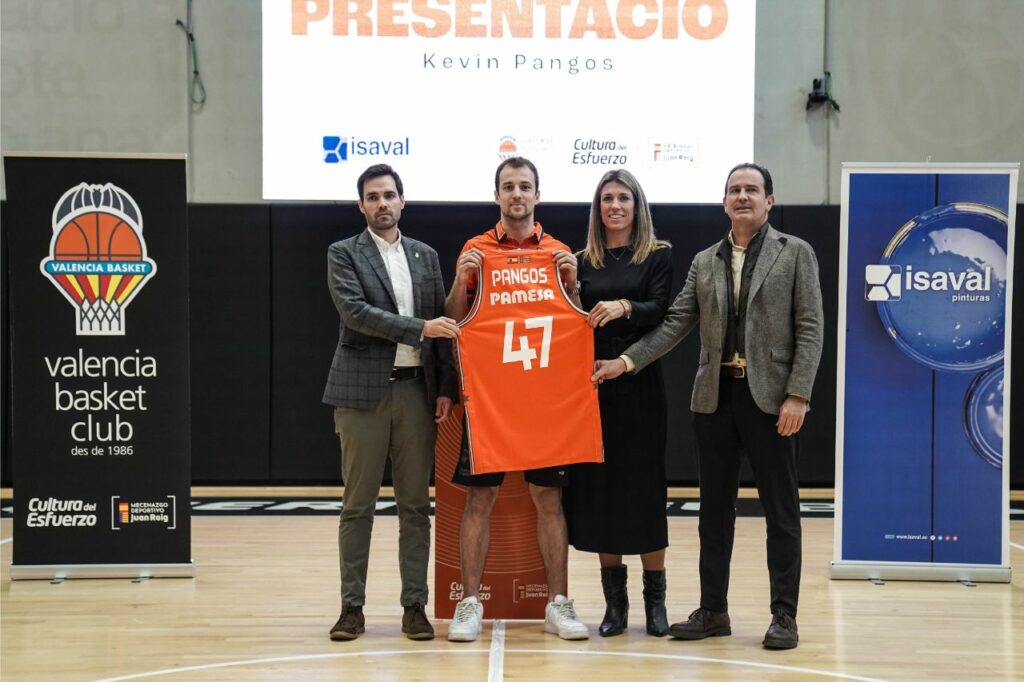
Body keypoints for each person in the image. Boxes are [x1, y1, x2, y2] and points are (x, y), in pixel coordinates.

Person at [593, 163, 824, 650]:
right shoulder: (705, 261)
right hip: (714, 399)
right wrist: (627, 362)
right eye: (734, 190)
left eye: (752, 190)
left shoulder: (796, 253)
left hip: (771, 401)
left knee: (781, 512)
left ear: (769, 201)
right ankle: (713, 610)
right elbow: (675, 322)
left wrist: (797, 394)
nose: (742, 197)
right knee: (713, 513)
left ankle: (784, 614)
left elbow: (810, 327)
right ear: (724, 203)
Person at [445, 157, 591, 643]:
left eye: (525, 187)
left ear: (537, 195)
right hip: (490, 400)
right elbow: (454, 322)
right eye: (508, 187)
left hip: (543, 401)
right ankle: (469, 603)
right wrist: (458, 279)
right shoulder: (476, 250)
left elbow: (577, 320)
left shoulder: (559, 252)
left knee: (548, 499)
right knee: (479, 499)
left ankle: (558, 603)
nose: (517, 195)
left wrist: (572, 285)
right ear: (496, 196)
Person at [323, 164, 459, 641]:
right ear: (362, 205)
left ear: (403, 201)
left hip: (416, 391)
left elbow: (445, 326)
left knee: (415, 507)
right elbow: (356, 314)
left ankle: (414, 607)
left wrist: (445, 388)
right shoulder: (343, 253)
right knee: (357, 505)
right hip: (361, 393)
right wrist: (420, 328)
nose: (382, 203)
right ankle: (351, 608)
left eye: (389, 195)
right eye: (372, 196)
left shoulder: (425, 256)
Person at [562, 169, 674, 638]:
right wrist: (568, 287)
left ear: (637, 205)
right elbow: (567, 317)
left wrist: (625, 307)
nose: (615, 206)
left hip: (640, 383)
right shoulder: (582, 259)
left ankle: (656, 603)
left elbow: (663, 310)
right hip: (592, 387)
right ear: (597, 207)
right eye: (607, 198)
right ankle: (616, 605)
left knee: (644, 493)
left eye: (623, 198)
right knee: (603, 494)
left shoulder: (658, 254)